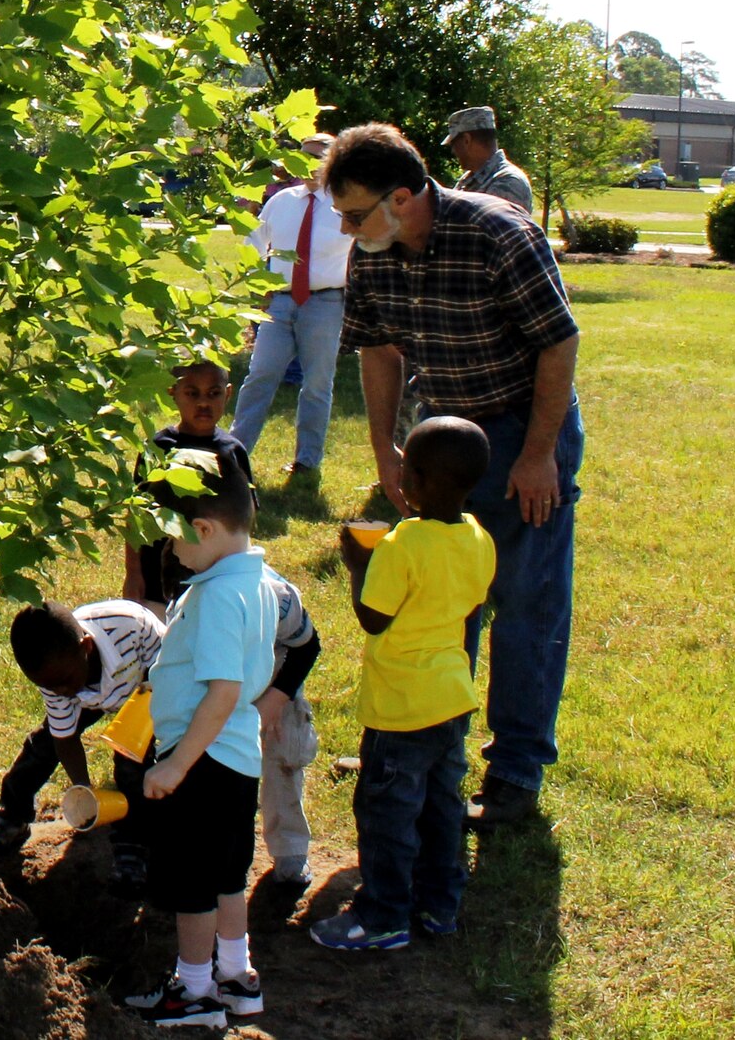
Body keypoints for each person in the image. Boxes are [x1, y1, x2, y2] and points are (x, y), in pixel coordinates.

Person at [326, 122, 583, 830]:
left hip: (522, 425)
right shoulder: (374, 255)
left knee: (526, 604)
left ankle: (515, 773)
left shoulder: (498, 233)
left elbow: (559, 343)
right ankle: (427, 743)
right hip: (440, 434)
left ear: (402, 198)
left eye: (354, 214)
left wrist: (536, 458)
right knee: (439, 596)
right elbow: (378, 351)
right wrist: (387, 449)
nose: (347, 230)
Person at [312, 418, 495, 951]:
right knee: (442, 809)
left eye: (406, 468)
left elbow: (373, 619)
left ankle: (383, 916)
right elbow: (471, 612)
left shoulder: (402, 542)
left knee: (387, 813)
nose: (399, 476)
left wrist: (356, 566)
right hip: (450, 699)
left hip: (401, 707)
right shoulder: (479, 536)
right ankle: (439, 906)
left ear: (418, 481)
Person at [122, 450, 279, 1029]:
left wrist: (174, 765)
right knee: (227, 873)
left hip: (203, 759)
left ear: (205, 529)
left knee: (192, 883)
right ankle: (237, 977)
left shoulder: (215, 596)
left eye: (174, 540)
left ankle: (193, 993)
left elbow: (222, 691)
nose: (173, 553)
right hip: (238, 758)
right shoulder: (255, 579)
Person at [0, 599, 165, 893]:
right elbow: (65, 739)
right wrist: (85, 792)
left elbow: (170, 666)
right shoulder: (57, 675)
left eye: (62, 682)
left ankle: (132, 845)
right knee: (42, 746)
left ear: (86, 647)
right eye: (50, 687)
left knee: (131, 764)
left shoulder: (130, 627)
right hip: (87, 695)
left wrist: (144, 720)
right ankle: (13, 813)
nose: (58, 691)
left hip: (144, 687)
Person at [229, 158, 354, 477]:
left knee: (316, 383)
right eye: (305, 155)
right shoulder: (280, 202)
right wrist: (259, 286)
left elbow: (364, 249)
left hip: (326, 303)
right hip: (281, 303)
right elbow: (253, 244)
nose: (311, 164)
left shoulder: (347, 203)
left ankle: (307, 461)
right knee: (260, 376)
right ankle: (234, 453)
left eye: (319, 156)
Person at [122, 360, 253, 618]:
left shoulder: (233, 452)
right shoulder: (158, 449)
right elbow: (135, 516)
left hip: (215, 581)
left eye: (213, 393)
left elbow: (244, 521)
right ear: (173, 391)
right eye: (192, 393)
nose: (203, 403)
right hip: (157, 583)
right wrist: (133, 572)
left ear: (227, 393)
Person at [258, 572, 322, 887]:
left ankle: (289, 847)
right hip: (214, 684)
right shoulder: (185, 604)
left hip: (276, 671)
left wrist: (277, 698)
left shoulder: (276, 599)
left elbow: (307, 648)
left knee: (284, 754)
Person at [444, 106, 533, 213]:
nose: (453, 151)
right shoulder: (469, 179)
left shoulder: (508, 182)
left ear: (466, 140)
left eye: (453, 144)